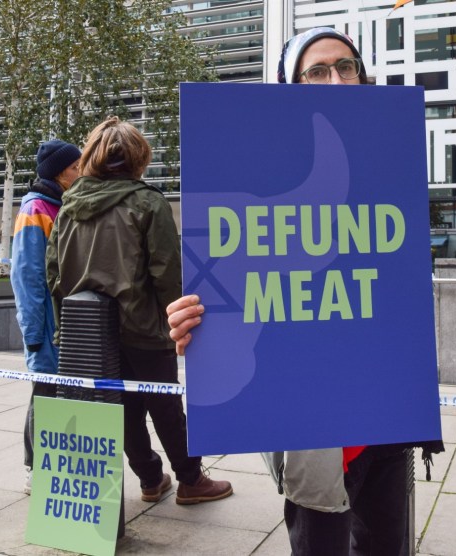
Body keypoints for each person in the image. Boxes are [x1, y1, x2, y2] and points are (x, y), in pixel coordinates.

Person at [166, 26, 442, 555]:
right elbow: (229, 289)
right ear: (288, 88)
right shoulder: (258, 178)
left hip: (384, 415)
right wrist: (198, 328)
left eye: (346, 67)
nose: (336, 81)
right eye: (316, 71)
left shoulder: (389, 165)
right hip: (312, 429)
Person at [45, 117, 232, 506]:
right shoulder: (148, 203)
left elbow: (53, 274)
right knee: (165, 405)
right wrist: (178, 327)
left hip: (90, 334)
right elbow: (167, 272)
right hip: (145, 326)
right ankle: (190, 480)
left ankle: (149, 478)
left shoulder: (68, 207)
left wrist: (67, 329)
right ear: (137, 158)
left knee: (122, 408)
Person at [10, 138, 81, 493]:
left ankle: (58, 462)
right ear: (59, 173)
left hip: (64, 322)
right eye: (75, 168)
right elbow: (27, 276)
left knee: (59, 394)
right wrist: (34, 333)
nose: (80, 172)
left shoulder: (63, 204)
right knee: (45, 393)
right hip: (48, 326)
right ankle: (34, 468)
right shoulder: (35, 209)